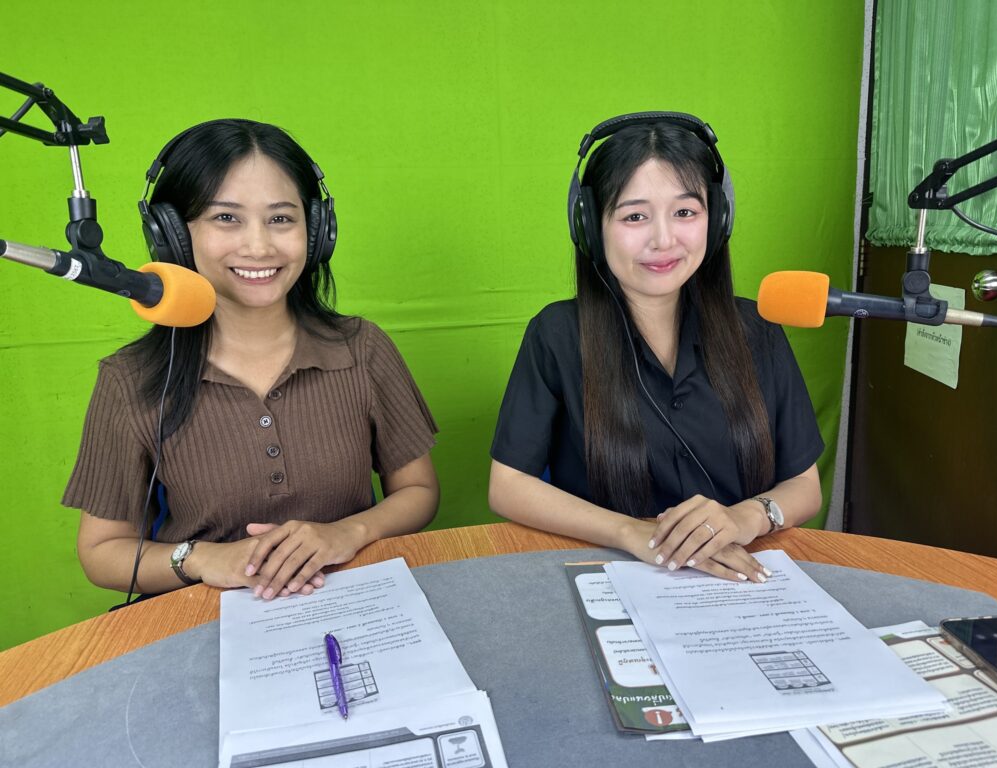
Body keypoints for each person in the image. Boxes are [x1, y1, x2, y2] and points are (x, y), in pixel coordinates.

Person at [65, 119, 439, 600]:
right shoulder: (129, 379)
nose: (259, 246)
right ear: (172, 235)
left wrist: (349, 532)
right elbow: (101, 552)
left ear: (317, 230)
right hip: (206, 616)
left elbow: (419, 492)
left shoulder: (363, 348)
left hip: (348, 604)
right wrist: (202, 559)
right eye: (226, 218)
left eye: (281, 219)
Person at [488, 113, 823, 582]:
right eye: (634, 216)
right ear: (590, 226)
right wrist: (632, 532)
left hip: (741, 578)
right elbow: (507, 486)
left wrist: (744, 518)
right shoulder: (557, 334)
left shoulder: (758, 329)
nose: (663, 240)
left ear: (718, 219)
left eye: (685, 212)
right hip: (611, 575)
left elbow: (805, 485)